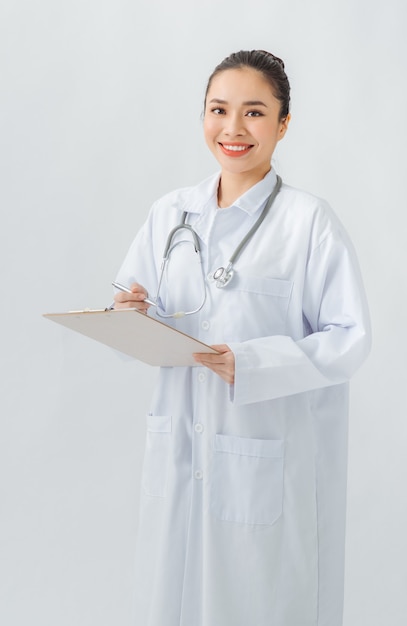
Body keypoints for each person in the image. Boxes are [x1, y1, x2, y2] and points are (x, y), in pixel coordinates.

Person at [113, 50, 371, 626]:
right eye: (218, 109)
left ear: (282, 123)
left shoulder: (309, 222)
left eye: (254, 113)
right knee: (170, 598)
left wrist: (253, 364)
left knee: (257, 602)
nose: (232, 129)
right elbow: (137, 302)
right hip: (181, 445)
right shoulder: (170, 213)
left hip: (261, 458)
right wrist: (127, 311)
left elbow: (349, 338)